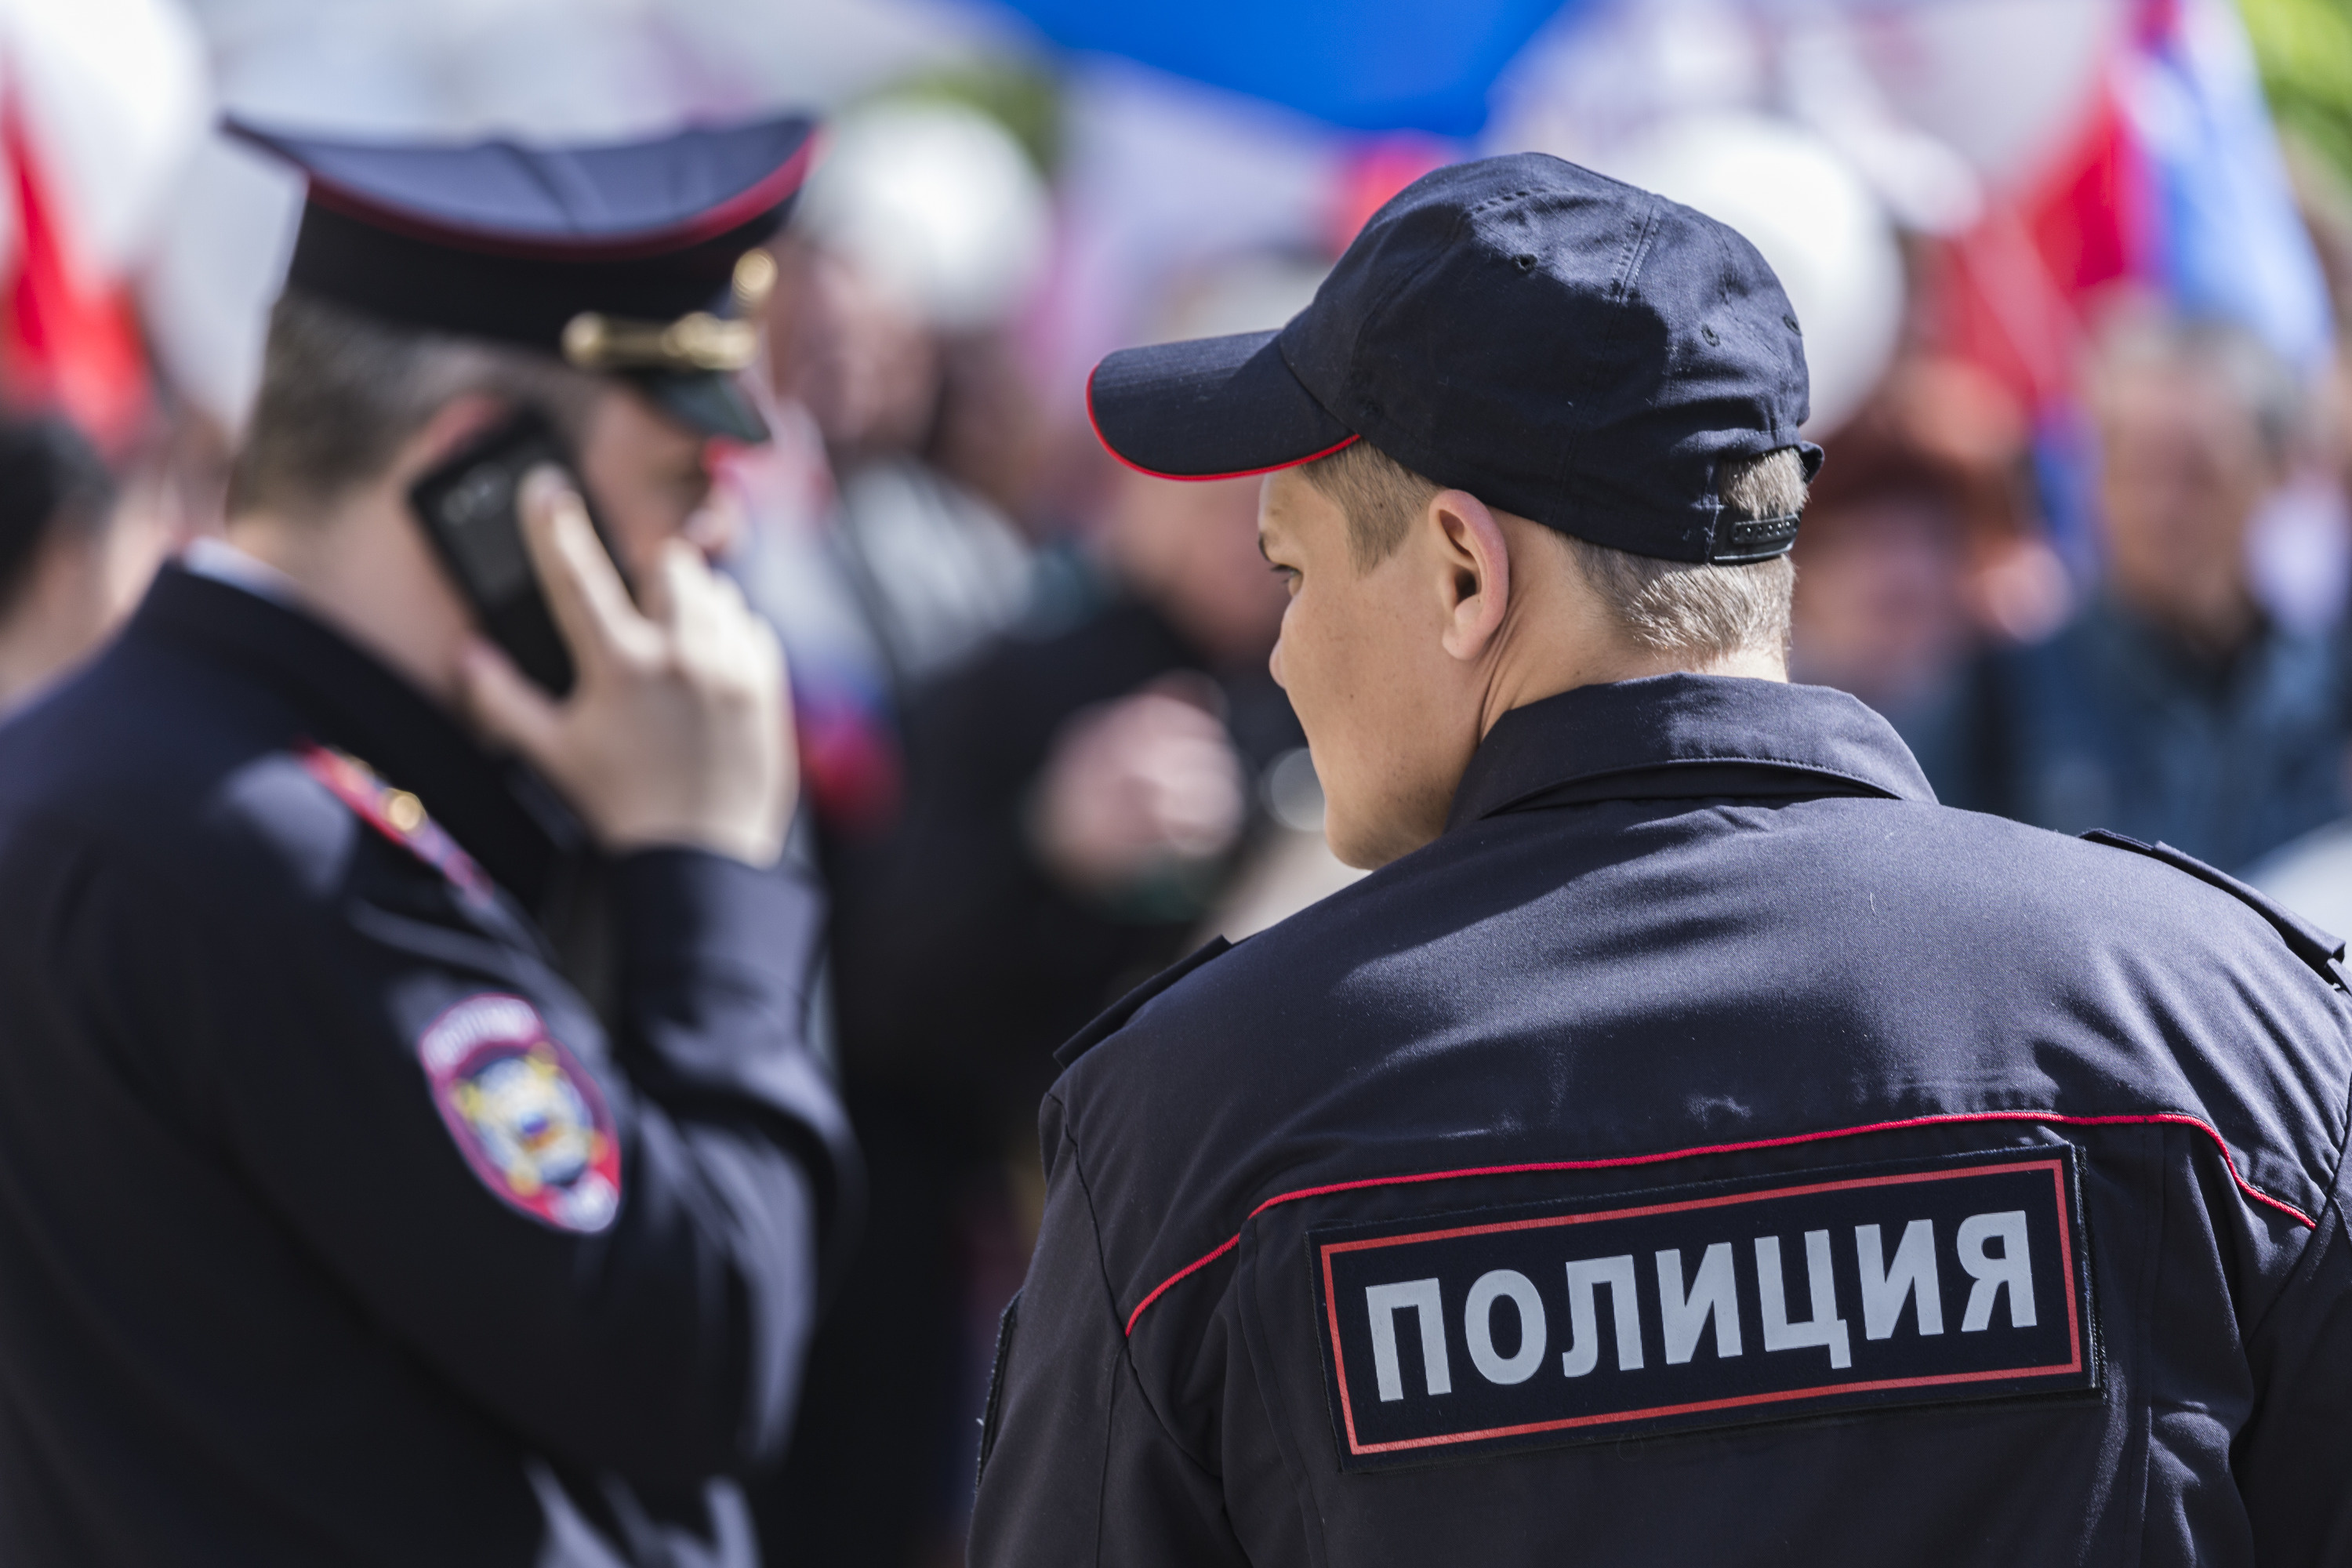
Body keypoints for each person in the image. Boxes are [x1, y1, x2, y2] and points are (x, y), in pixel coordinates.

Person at [969, 154, 2352, 1566]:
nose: (1282, 649)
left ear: (1462, 572)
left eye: (1293, 571)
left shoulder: (1200, 1123)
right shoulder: (2224, 1035)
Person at [0, 118, 857, 1567]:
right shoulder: (272, 848)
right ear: (489, 484)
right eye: (681, 479)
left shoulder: (150, 773)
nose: (716, 542)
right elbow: (697, 1350)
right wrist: (711, 864)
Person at [1929, 306, 2347, 871]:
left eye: (2196, 474)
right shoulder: (2010, 692)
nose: (2161, 509)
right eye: (2135, 469)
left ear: (2275, 472)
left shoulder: (2331, 692)